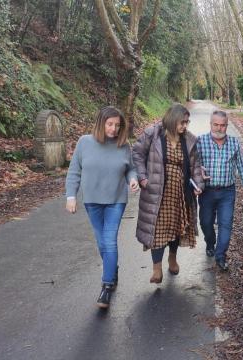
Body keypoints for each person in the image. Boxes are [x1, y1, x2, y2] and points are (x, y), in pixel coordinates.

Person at [65, 106, 139, 309]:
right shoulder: (84, 142)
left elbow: (131, 168)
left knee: (109, 240)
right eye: (110, 124)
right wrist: (71, 196)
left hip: (116, 200)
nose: (114, 129)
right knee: (101, 242)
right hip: (92, 201)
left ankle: (107, 286)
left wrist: (133, 180)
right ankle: (112, 269)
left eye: (117, 125)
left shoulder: (123, 145)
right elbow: (74, 172)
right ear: (101, 123)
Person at [133, 103, 204, 284]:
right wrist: (142, 177)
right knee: (157, 231)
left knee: (175, 228)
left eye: (187, 122)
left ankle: (172, 258)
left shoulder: (189, 140)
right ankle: (157, 270)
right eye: (182, 122)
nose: (185, 126)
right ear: (173, 120)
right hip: (157, 192)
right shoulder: (153, 134)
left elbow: (196, 166)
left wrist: (199, 184)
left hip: (180, 193)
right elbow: (138, 153)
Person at [197, 110, 243, 271]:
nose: (219, 128)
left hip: (227, 192)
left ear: (227, 126)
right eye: (216, 124)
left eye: (223, 125)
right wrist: (197, 170)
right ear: (211, 124)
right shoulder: (200, 142)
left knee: (225, 224)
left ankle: (220, 256)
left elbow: (242, 164)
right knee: (206, 222)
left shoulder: (234, 143)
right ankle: (209, 242)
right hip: (206, 192)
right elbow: (192, 164)